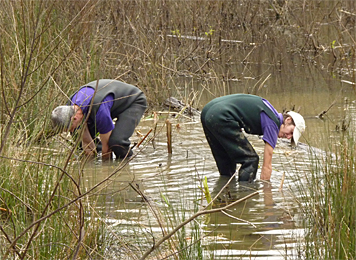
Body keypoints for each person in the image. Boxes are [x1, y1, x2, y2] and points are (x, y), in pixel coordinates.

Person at [201, 94, 305, 182]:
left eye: (291, 137)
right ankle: (244, 196)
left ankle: (225, 194)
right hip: (221, 116)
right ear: (287, 120)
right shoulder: (273, 124)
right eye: (291, 132)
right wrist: (266, 193)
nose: (288, 137)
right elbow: (267, 166)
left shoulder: (269, 109)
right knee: (251, 159)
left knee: (226, 161)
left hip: (208, 111)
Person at [51, 79, 147, 160]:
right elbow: (86, 142)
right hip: (107, 104)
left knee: (116, 142)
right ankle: (97, 155)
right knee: (78, 140)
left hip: (132, 101)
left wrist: (105, 171)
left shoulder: (99, 110)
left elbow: (107, 149)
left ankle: (125, 162)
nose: (71, 131)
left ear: (74, 118)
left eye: (70, 128)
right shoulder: (70, 107)